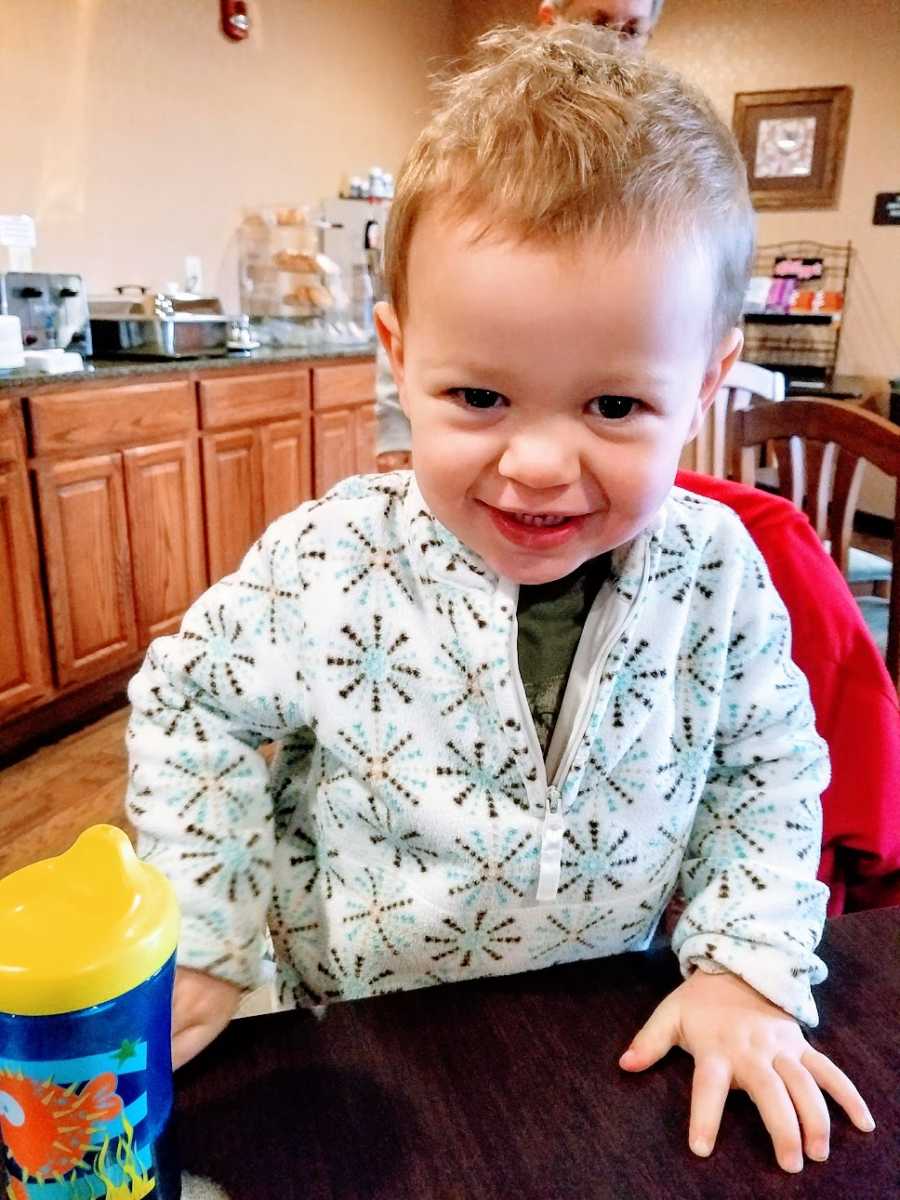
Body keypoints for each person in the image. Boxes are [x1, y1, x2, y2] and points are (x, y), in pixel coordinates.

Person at [126, 25, 874, 1173]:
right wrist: (211, 929)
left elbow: (766, 768)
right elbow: (193, 712)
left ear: (709, 382)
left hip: (597, 1035)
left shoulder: (718, 570)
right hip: (360, 1041)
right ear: (399, 352)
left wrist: (744, 967)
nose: (536, 463)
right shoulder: (328, 559)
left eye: (616, 407)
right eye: (479, 394)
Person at [375, 0, 667, 471]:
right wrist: (395, 430)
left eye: (630, 30)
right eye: (480, 396)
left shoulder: (659, 162)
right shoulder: (474, 151)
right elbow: (423, 312)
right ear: (550, 18)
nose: (610, 44)